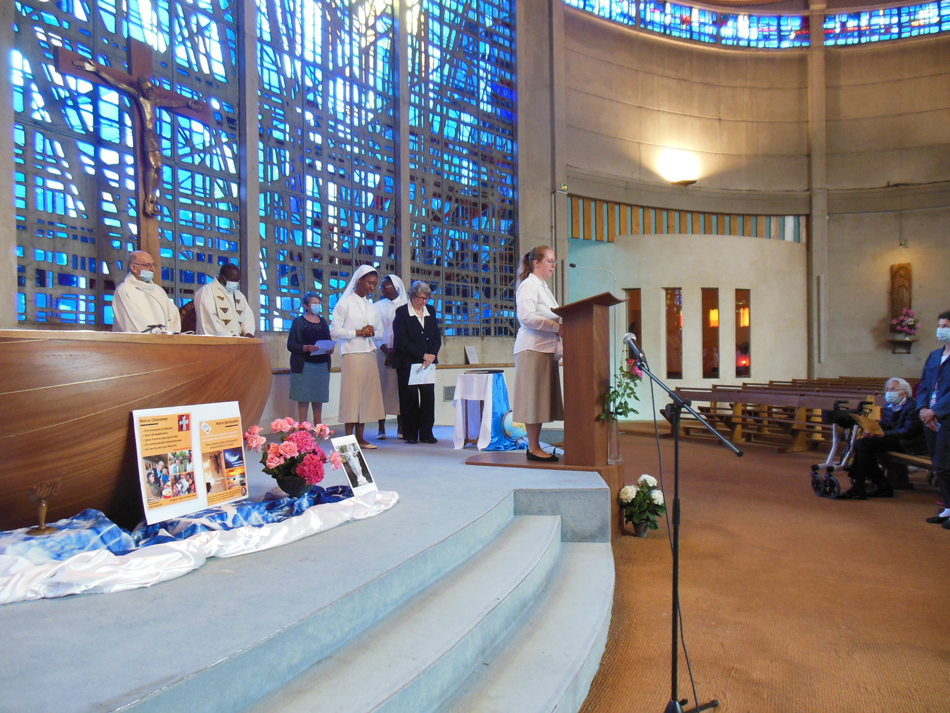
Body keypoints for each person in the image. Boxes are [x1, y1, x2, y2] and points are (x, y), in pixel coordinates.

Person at [513, 245, 563, 462]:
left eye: (554, 261)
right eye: (550, 261)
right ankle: (533, 448)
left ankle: (535, 446)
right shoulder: (529, 285)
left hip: (545, 350)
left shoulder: (543, 287)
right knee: (534, 401)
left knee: (540, 401)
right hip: (532, 349)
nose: (553, 265)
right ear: (536, 263)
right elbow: (526, 317)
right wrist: (557, 327)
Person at [838, 378, 924, 500]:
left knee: (863, 446)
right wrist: (873, 431)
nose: (889, 392)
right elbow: (883, 426)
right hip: (892, 440)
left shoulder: (913, 406)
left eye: (893, 389)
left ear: (905, 393)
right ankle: (873, 486)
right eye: (887, 389)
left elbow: (909, 431)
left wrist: (882, 434)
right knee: (862, 446)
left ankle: (869, 486)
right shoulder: (888, 406)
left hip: (908, 443)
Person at [330, 265, 385, 449]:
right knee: (352, 396)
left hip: (369, 354)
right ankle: (348, 439)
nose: (372, 287)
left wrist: (371, 331)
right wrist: (358, 332)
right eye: (369, 283)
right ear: (359, 280)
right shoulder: (344, 304)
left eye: (375, 284)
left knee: (366, 397)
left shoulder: (373, 308)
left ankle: (361, 438)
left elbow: (381, 334)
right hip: (352, 353)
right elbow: (334, 331)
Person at [393, 281, 442, 444]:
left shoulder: (430, 311)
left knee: (428, 397)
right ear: (412, 296)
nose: (424, 301)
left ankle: (427, 433)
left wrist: (432, 355)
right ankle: (411, 433)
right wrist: (423, 355)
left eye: (426, 298)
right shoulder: (402, 312)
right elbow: (402, 340)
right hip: (408, 362)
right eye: (421, 298)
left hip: (428, 363)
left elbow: (436, 336)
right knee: (410, 398)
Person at [918, 311, 950, 527]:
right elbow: (923, 384)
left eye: (946, 326)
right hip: (930, 417)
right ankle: (947, 508)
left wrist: (936, 410)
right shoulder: (934, 355)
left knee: (947, 463)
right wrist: (922, 408)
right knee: (938, 464)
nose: (941, 330)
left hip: (946, 416)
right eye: (940, 326)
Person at [286, 292, 334, 426]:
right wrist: (306, 348)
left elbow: (328, 340)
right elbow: (291, 344)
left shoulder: (323, 321)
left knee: (318, 397)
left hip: (321, 365)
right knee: (303, 397)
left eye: (318, 303)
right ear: (306, 306)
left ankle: (318, 427)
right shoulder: (298, 322)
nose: (317, 305)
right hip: (305, 366)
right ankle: (304, 427)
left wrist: (330, 349)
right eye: (314, 303)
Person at [112, 251, 182, 333]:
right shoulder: (124, 291)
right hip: (139, 340)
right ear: (134, 268)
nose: (153, 269)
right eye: (147, 265)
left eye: (153, 265)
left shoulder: (158, 290)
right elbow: (131, 324)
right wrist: (156, 334)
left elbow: (174, 317)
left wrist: (168, 334)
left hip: (163, 340)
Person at [375, 275, 408, 439]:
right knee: (380, 390)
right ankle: (381, 427)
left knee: (399, 390)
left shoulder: (406, 305)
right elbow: (373, 331)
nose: (382, 289)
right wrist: (384, 348)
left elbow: (406, 332)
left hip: (400, 353)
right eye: (381, 286)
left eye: (385, 286)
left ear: (395, 287)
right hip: (380, 352)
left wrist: (394, 352)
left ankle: (401, 426)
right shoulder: (376, 306)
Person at [194, 263, 256, 337]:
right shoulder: (207, 291)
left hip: (237, 342)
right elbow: (208, 320)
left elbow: (247, 316)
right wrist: (228, 336)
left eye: (237, 280)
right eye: (231, 280)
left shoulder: (239, 295)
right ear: (222, 277)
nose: (234, 283)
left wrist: (248, 332)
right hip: (215, 341)